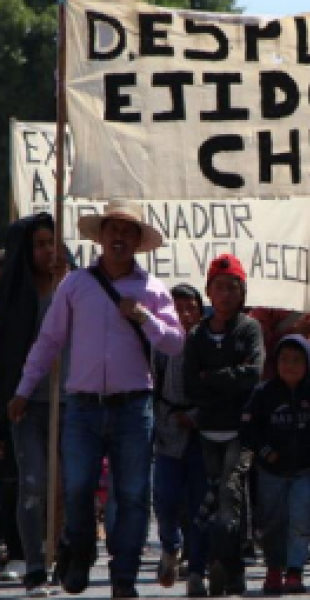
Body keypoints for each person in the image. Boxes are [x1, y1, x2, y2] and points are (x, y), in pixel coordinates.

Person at [10, 200, 184, 598]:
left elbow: (175, 343)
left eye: (128, 231)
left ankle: (123, 576)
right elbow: (49, 340)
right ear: (101, 236)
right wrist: (23, 389)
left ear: (138, 241)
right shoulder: (75, 285)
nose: (119, 237)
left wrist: (145, 317)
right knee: (76, 488)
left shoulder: (152, 289)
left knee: (133, 494)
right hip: (83, 406)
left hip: (133, 406)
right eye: (113, 229)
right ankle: (81, 551)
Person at [183, 254, 264, 597]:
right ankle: (205, 564)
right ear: (208, 292)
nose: (226, 294)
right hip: (205, 431)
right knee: (206, 501)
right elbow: (191, 385)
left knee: (232, 499)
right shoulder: (197, 335)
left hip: (239, 431)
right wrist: (228, 377)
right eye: (220, 287)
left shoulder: (249, 328)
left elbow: (253, 374)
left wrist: (212, 377)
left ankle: (231, 567)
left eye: (233, 287)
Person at [0, 213, 67, 595]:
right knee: (33, 485)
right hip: (25, 406)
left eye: (51, 243)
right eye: (39, 245)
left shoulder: (73, 286)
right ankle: (35, 567)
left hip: (71, 402)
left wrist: (66, 281)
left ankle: (66, 555)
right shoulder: (12, 293)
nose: (46, 251)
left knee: (72, 486)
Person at [240, 335, 310, 595]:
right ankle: (274, 569)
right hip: (270, 471)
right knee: (273, 522)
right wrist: (265, 452)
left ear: (307, 364)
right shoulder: (263, 392)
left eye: (297, 360)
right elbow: (247, 430)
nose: (290, 366)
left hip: (304, 470)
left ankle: (295, 571)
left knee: (300, 520)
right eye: (284, 360)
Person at [152, 283, 209, 597]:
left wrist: (197, 416)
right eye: (177, 308)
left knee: (200, 504)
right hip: (167, 430)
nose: (185, 315)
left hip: (202, 432)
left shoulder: (209, 342)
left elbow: (217, 390)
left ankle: (197, 568)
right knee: (166, 497)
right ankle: (170, 547)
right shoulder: (159, 344)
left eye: (191, 307)